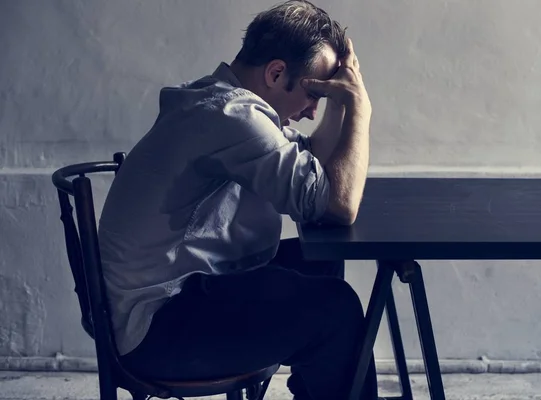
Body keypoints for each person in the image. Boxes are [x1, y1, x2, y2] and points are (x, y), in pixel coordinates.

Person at [97, 1, 378, 399]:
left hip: (167, 302)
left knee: (320, 261)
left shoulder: (220, 103)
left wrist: (338, 99)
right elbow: (339, 204)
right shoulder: (232, 116)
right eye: (314, 92)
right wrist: (360, 111)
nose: (313, 109)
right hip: (157, 332)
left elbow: (314, 161)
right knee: (338, 311)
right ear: (277, 73)